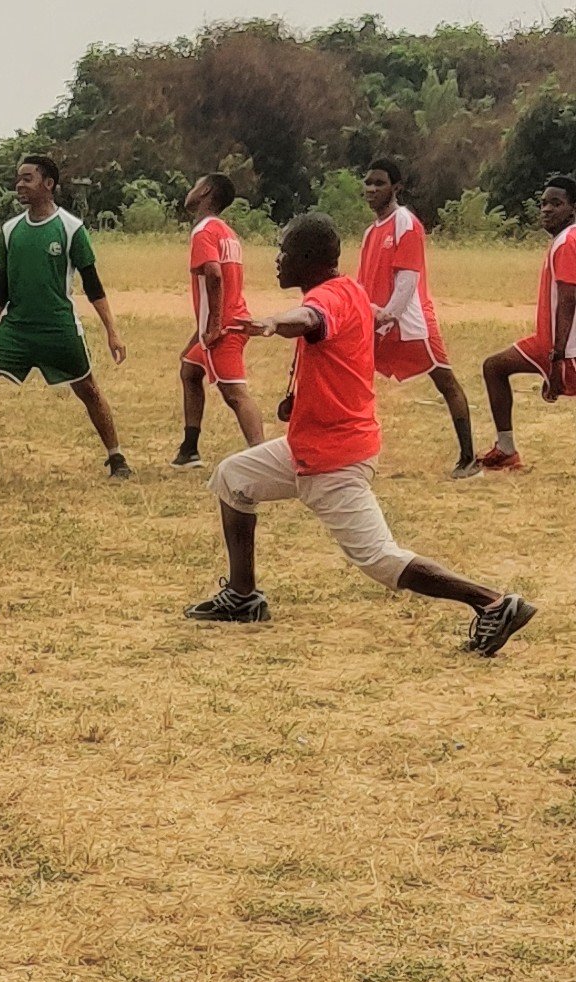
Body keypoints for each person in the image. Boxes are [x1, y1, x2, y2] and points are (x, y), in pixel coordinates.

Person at [184, 214, 535, 655]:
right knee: (233, 477)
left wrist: (276, 323)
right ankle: (242, 596)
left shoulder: (324, 300)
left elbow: (309, 318)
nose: (277, 261)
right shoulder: (348, 289)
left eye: (285, 252)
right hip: (312, 446)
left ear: (308, 259)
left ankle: (493, 602)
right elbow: (336, 325)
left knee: (380, 560)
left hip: (335, 457)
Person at [0, 154, 131, 482]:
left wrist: (112, 332)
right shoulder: (9, 231)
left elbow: (93, 286)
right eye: (18, 179)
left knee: (89, 389)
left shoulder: (71, 228)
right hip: (17, 328)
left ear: (48, 184)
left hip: (58, 329)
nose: (20, 185)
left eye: (28, 178)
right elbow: (0, 290)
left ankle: (116, 457)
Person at [355, 159, 476, 477]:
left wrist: (388, 317)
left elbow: (408, 281)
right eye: (367, 182)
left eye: (379, 183)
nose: (371, 189)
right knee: (354, 377)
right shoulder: (371, 232)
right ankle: (354, 452)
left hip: (410, 323)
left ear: (396, 187)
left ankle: (468, 458)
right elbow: (364, 281)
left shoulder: (406, 224)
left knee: (445, 381)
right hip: (377, 320)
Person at [475, 174, 576, 472]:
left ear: (572, 208)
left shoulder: (567, 242)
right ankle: (505, 450)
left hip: (565, 346)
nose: (546, 209)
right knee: (494, 366)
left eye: (556, 204)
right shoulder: (563, 239)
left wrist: (557, 358)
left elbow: (569, 301)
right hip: (547, 341)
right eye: (543, 203)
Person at [172, 173, 264, 467]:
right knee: (189, 368)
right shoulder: (226, 232)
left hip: (224, 328)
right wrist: (198, 333)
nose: (190, 190)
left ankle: (262, 458)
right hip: (227, 321)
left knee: (235, 394)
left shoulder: (203, 232)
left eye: (195, 184)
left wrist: (213, 327)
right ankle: (189, 449)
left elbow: (213, 274)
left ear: (206, 191)